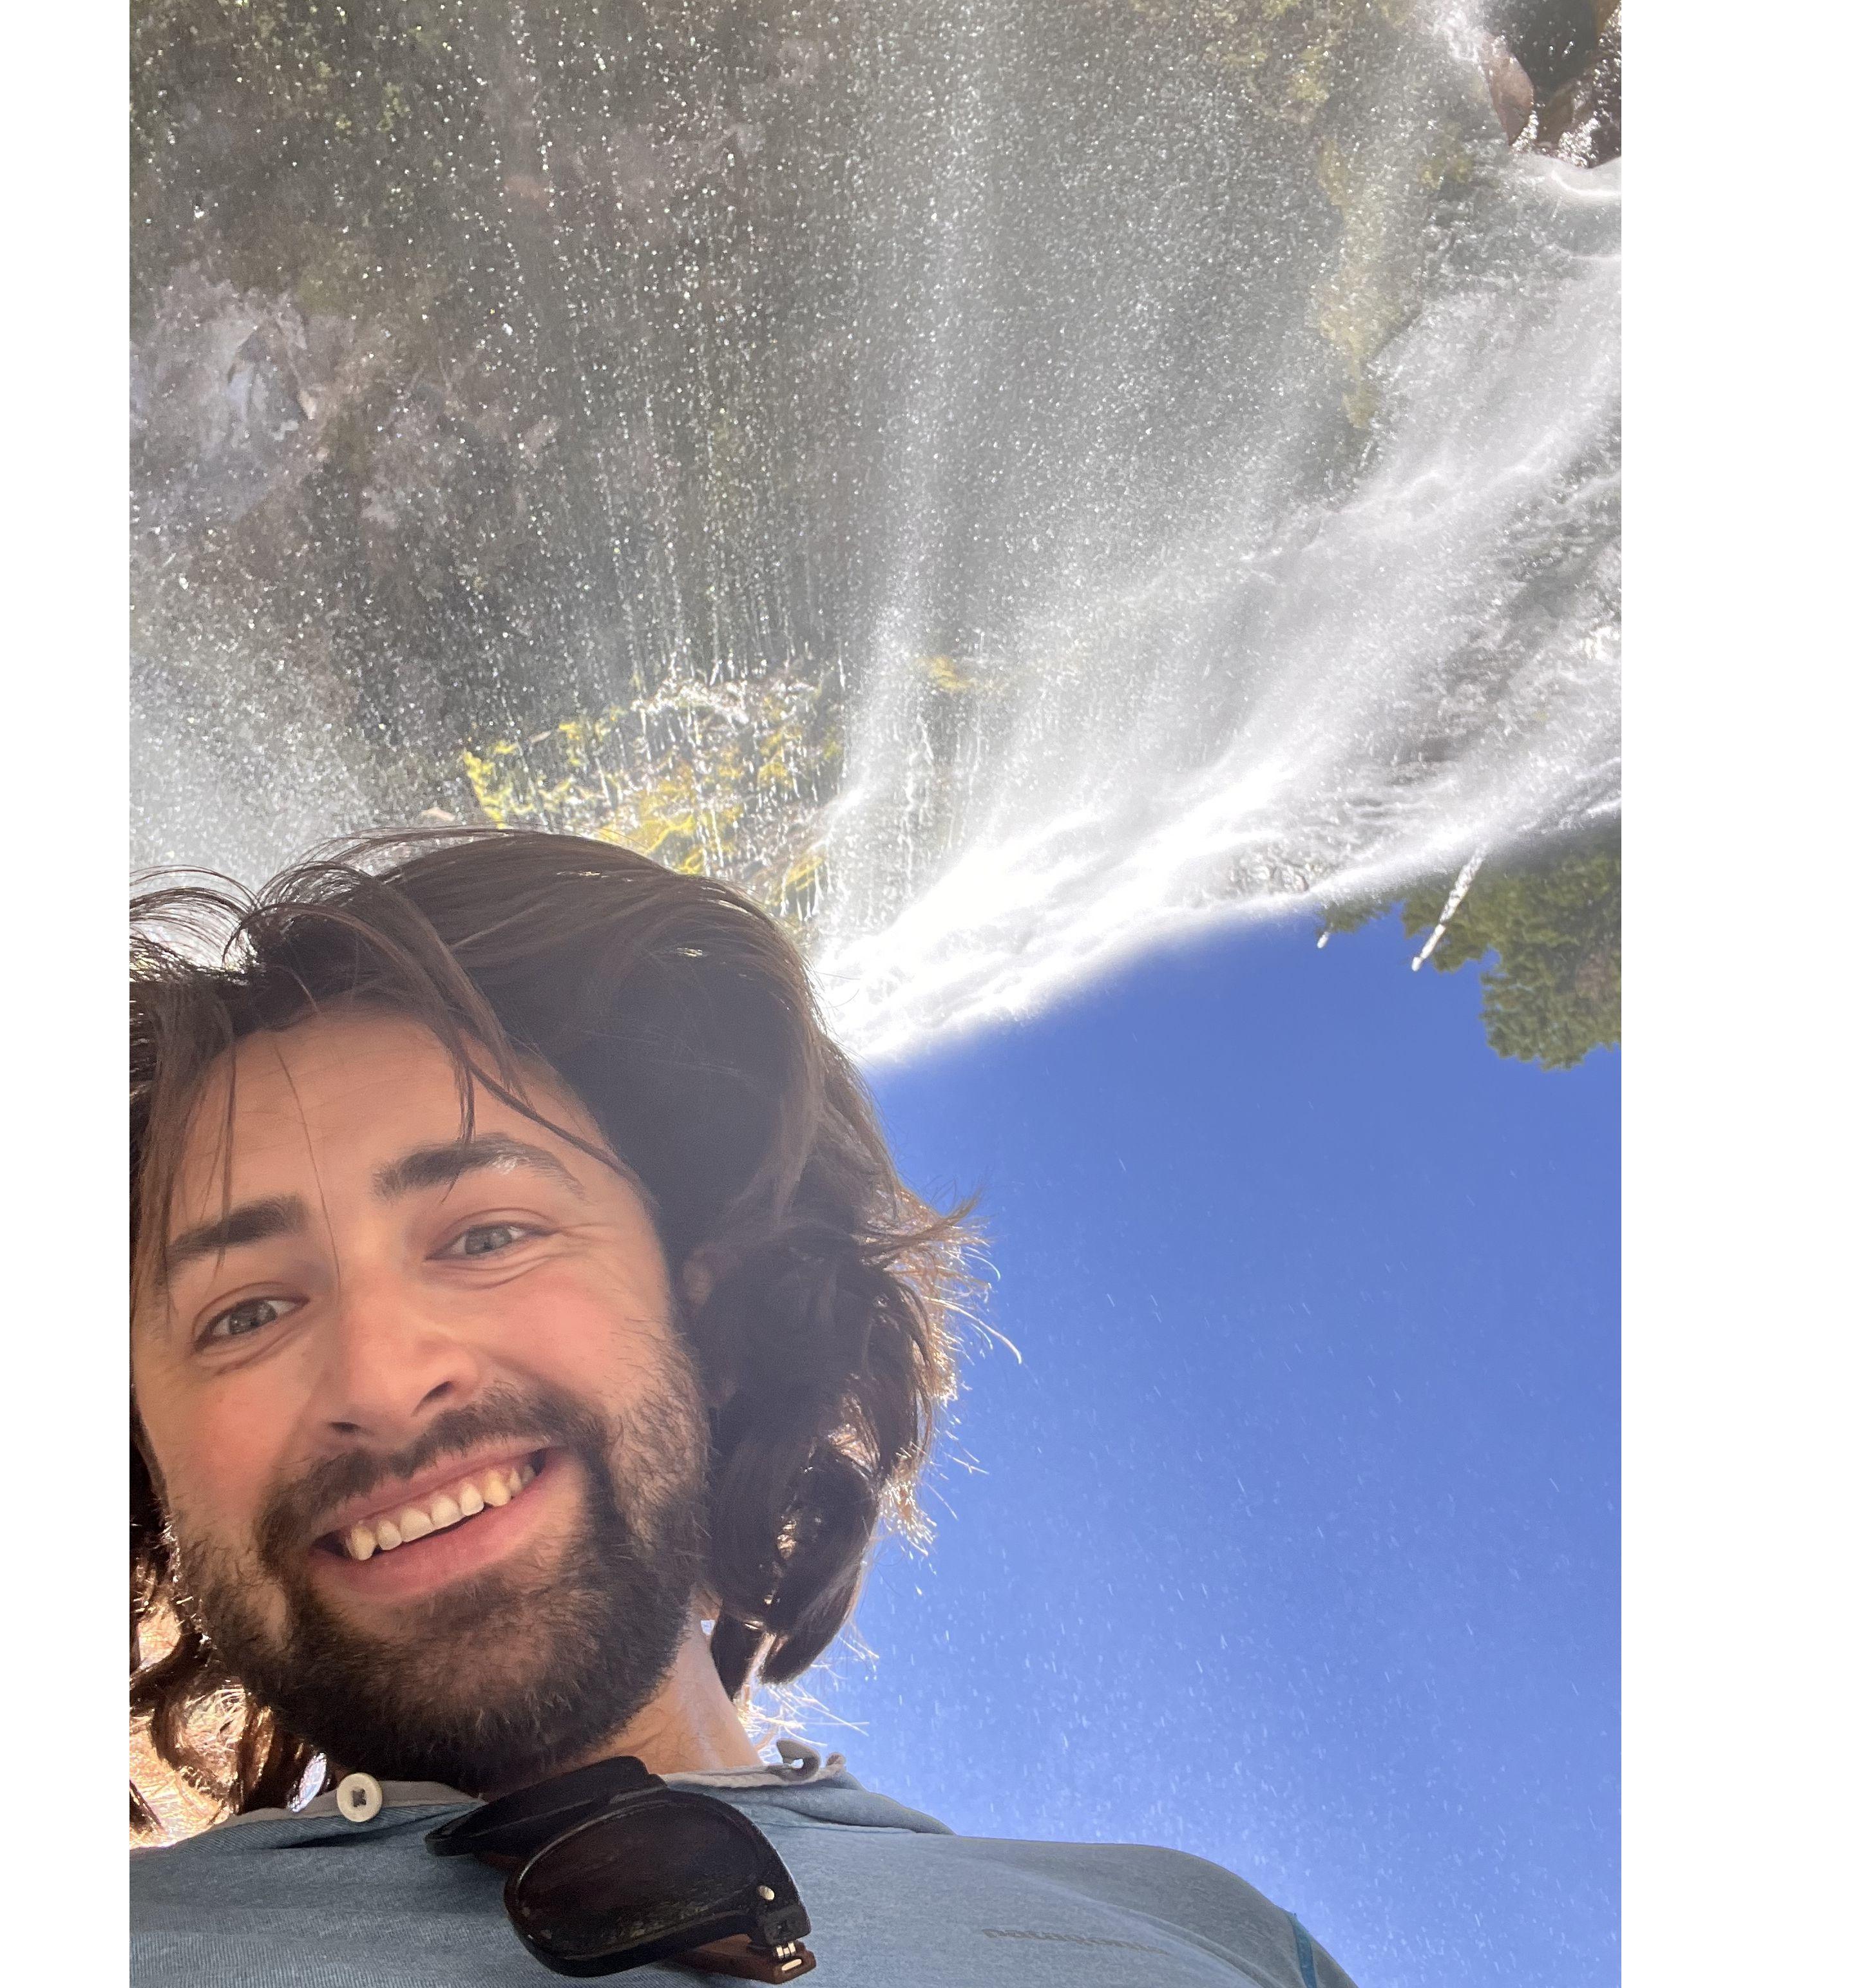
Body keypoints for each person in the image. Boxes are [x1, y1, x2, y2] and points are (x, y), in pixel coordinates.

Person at [130, 828, 1359, 1987]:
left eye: (489, 1234)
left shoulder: (1208, 1935)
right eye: (245, 1313)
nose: (381, 1377)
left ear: (708, 1324)